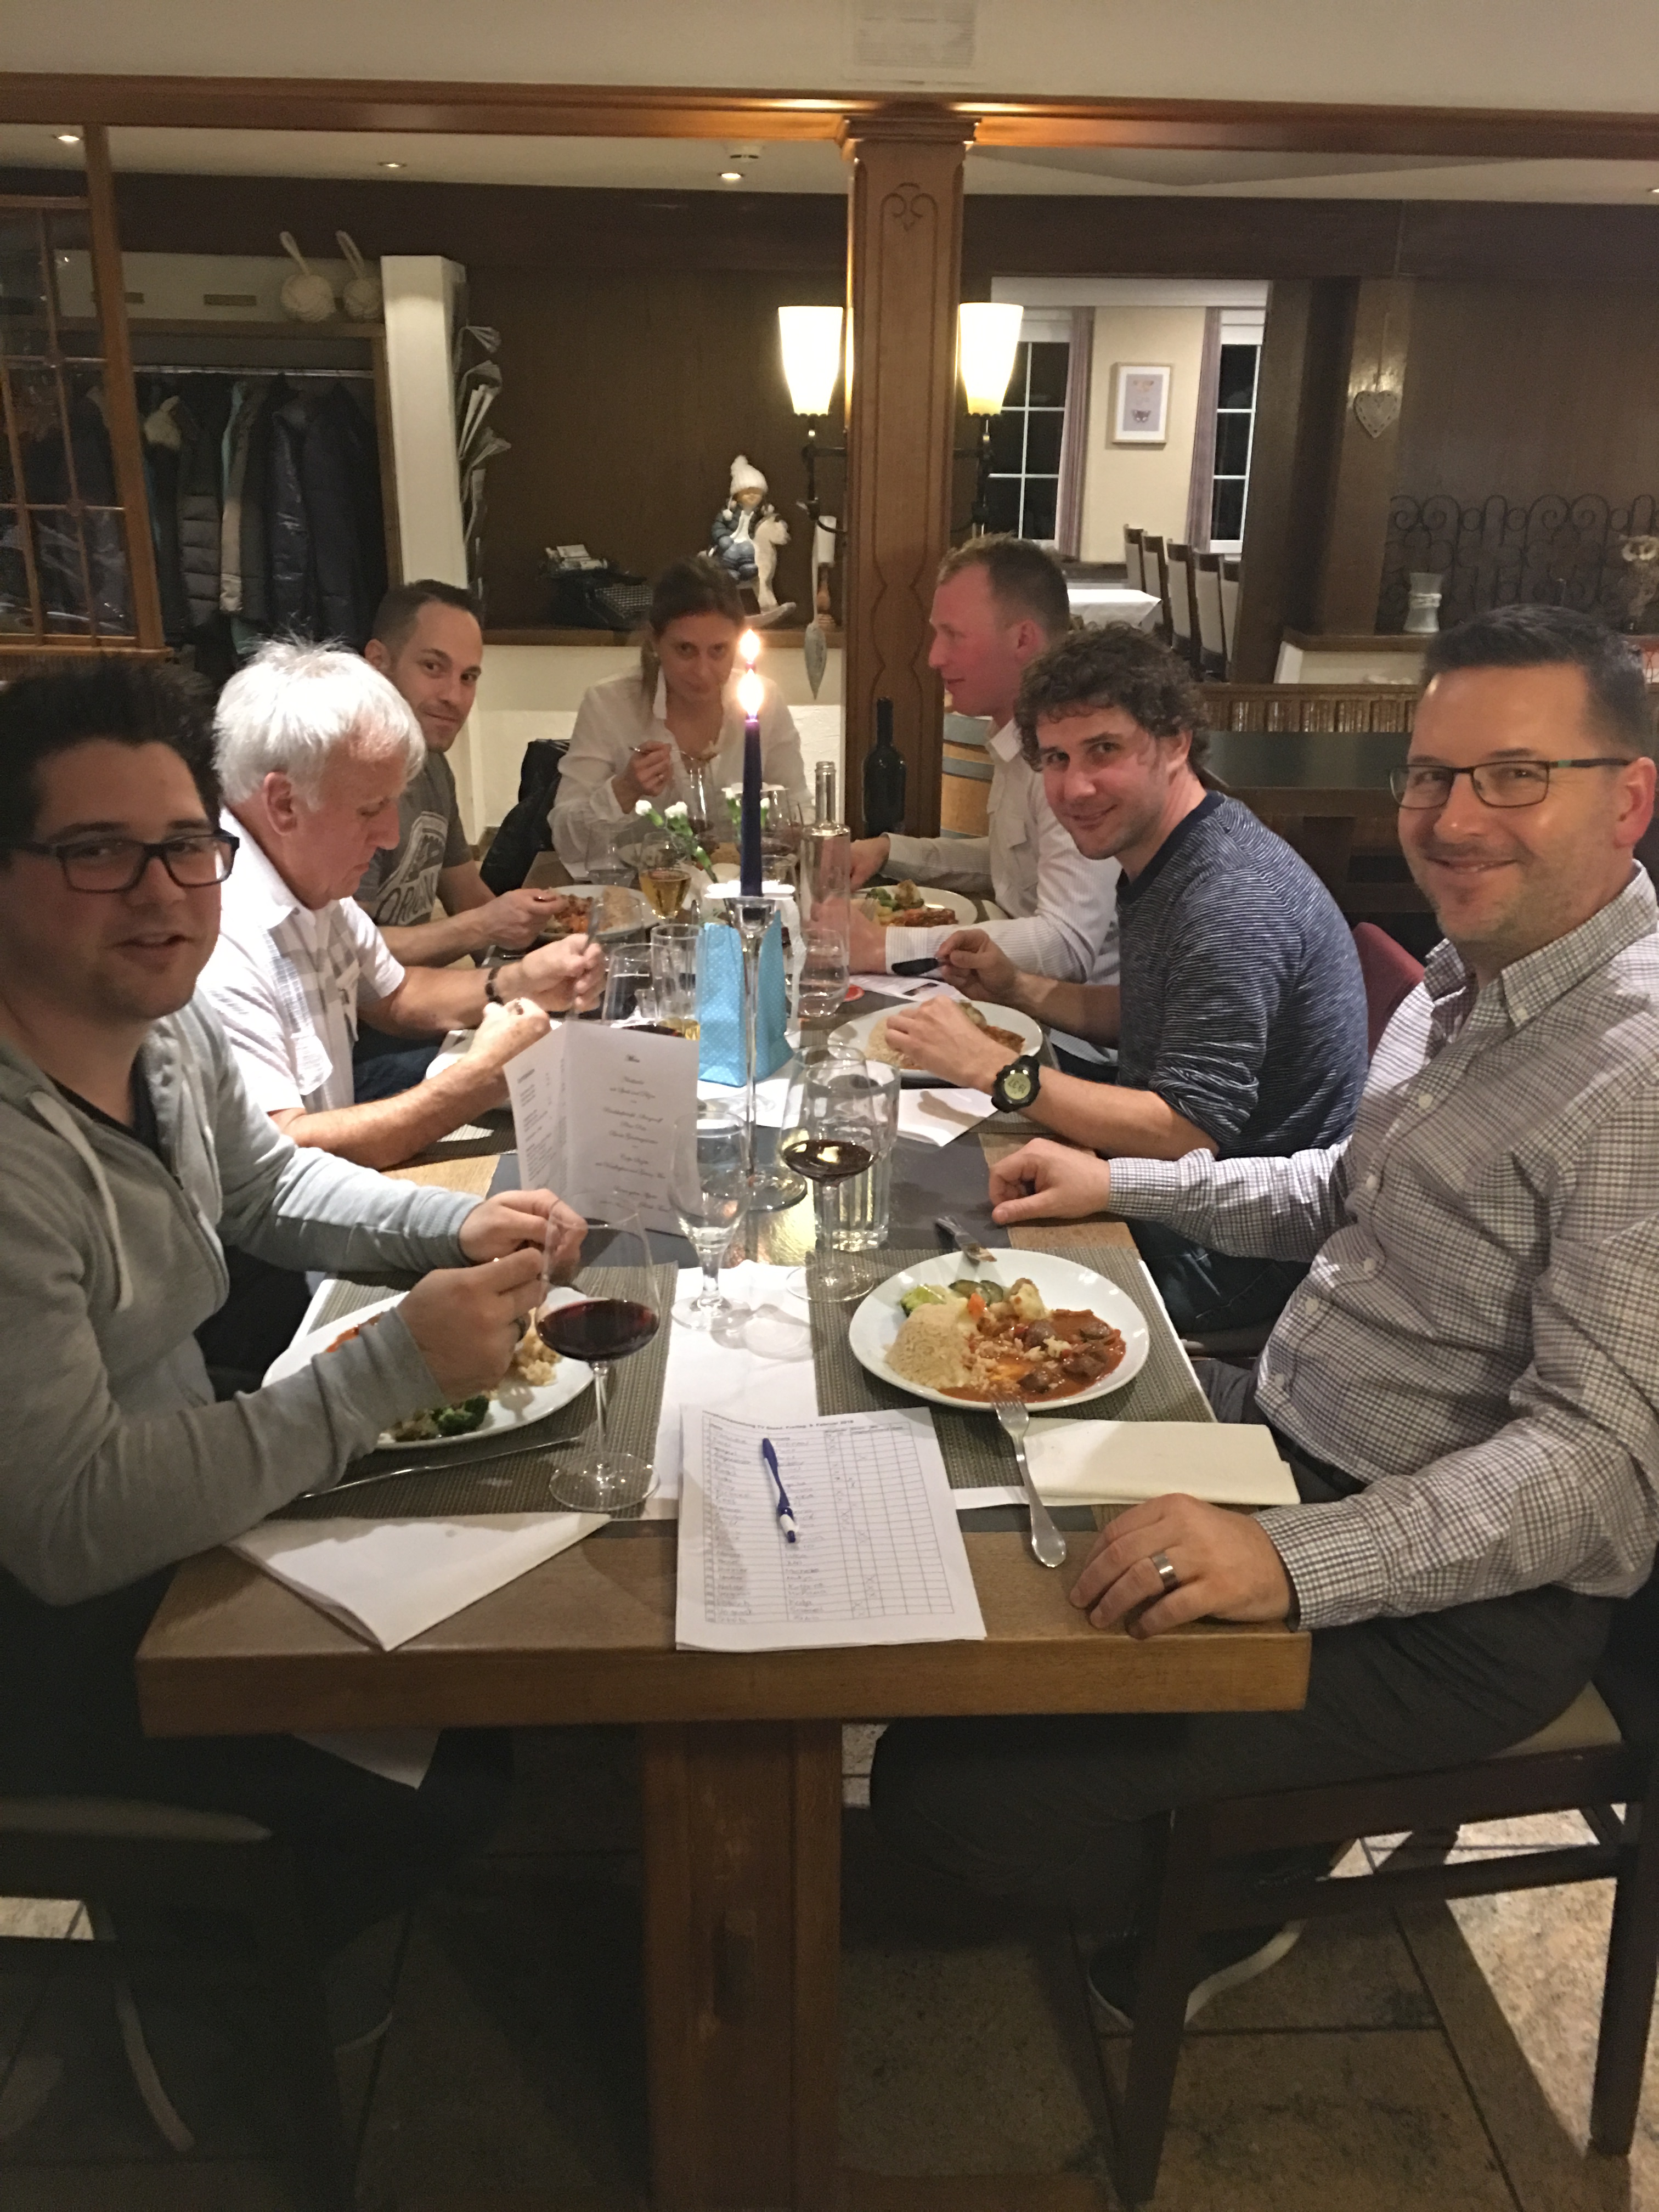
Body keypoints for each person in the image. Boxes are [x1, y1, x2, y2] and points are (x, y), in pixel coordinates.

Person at [871, 604, 1659, 2028]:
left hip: (1473, 1608)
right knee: (949, 1470)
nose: (1454, 818)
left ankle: (1242, 1872)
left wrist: (1292, 1563)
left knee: (945, 1798)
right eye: (1434, 775)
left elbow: (1598, 1472)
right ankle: (1204, 1796)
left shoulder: (1637, 1073)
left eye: (1515, 776)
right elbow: (1334, 1185)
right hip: (1287, 1431)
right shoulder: (1470, 977)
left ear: (1631, 797)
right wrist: (1114, 1181)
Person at [0, 656, 588, 1977]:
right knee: (457, 1781)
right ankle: (188, 1990)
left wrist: (456, 1225)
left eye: (183, 848)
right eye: (97, 852)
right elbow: (70, 1521)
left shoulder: (157, 1029)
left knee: (504, 1641)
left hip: (178, 1498)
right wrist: (386, 1369)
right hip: (59, 1631)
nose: (161, 890)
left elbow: (267, 1186)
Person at [887, 624, 1368, 1336]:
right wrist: (1016, 988)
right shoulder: (1170, 849)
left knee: (930, 1279)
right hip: (1162, 1185)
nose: (1074, 787)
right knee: (918, 1192)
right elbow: (1153, 1015)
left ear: (1174, 744)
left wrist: (997, 1070)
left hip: (1234, 1252)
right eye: (1056, 758)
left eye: (1104, 750)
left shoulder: (1229, 898)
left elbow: (1184, 1131)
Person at [198, 640, 603, 1176]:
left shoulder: (312, 881)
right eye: (371, 809)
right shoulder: (214, 932)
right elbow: (279, 1159)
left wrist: (520, 980)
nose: (390, 835)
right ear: (283, 803)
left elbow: (397, 994)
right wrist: (479, 1080)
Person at [845, 536, 1121, 991]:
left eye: (953, 635)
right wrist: (887, 850)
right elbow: (1011, 861)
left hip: (1070, 1022)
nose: (934, 657)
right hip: (1010, 991)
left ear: (1022, 639)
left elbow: (1066, 946)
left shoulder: (1073, 759)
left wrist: (885, 948)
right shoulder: (1019, 733)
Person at [353, 579, 573, 1098]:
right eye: (433, 667)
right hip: (361, 1038)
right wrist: (484, 930)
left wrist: (543, 956)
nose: (454, 696)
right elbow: (350, 954)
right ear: (378, 662)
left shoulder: (433, 768)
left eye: (468, 676)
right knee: (554, 1081)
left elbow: (466, 893)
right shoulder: (350, 780)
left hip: (420, 1008)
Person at [551, 555, 808, 875]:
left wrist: (796, 833)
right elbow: (566, 841)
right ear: (655, 642)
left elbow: (799, 807)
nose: (703, 672)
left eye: (719, 650)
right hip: (642, 892)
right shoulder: (608, 704)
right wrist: (624, 790)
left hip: (740, 889)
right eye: (685, 650)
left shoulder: (763, 701)